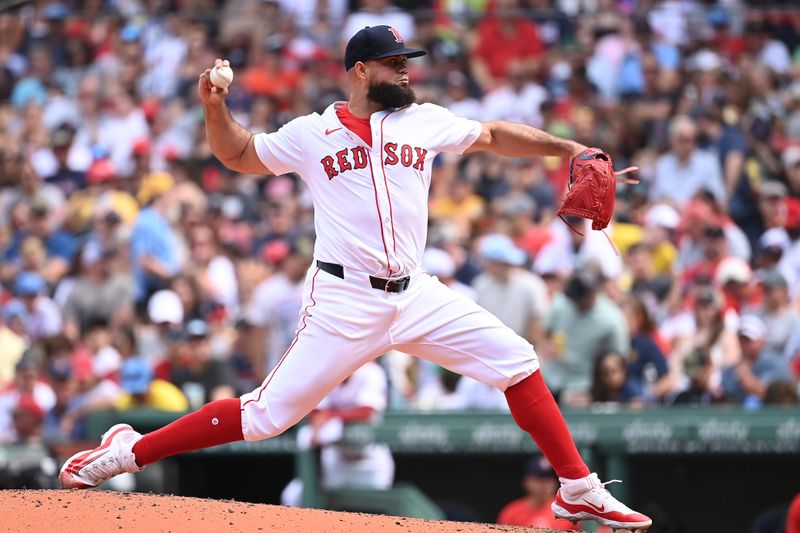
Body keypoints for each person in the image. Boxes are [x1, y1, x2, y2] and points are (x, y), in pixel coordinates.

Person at [59, 26, 651, 530]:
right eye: (397, 65)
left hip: (415, 292)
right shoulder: (313, 133)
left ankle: (576, 486)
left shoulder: (422, 121)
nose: (408, 73)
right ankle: (128, 452)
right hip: (344, 297)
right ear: (362, 71)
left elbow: (494, 134)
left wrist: (571, 146)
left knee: (518, 360)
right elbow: (238, 154)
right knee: (267, 417)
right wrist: (215, 108)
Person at [497, 454, 579, 530]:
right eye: (539, 479)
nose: (545, 484)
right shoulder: (512, 513)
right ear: (526, 481)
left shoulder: (567, 513)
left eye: (548, 478)